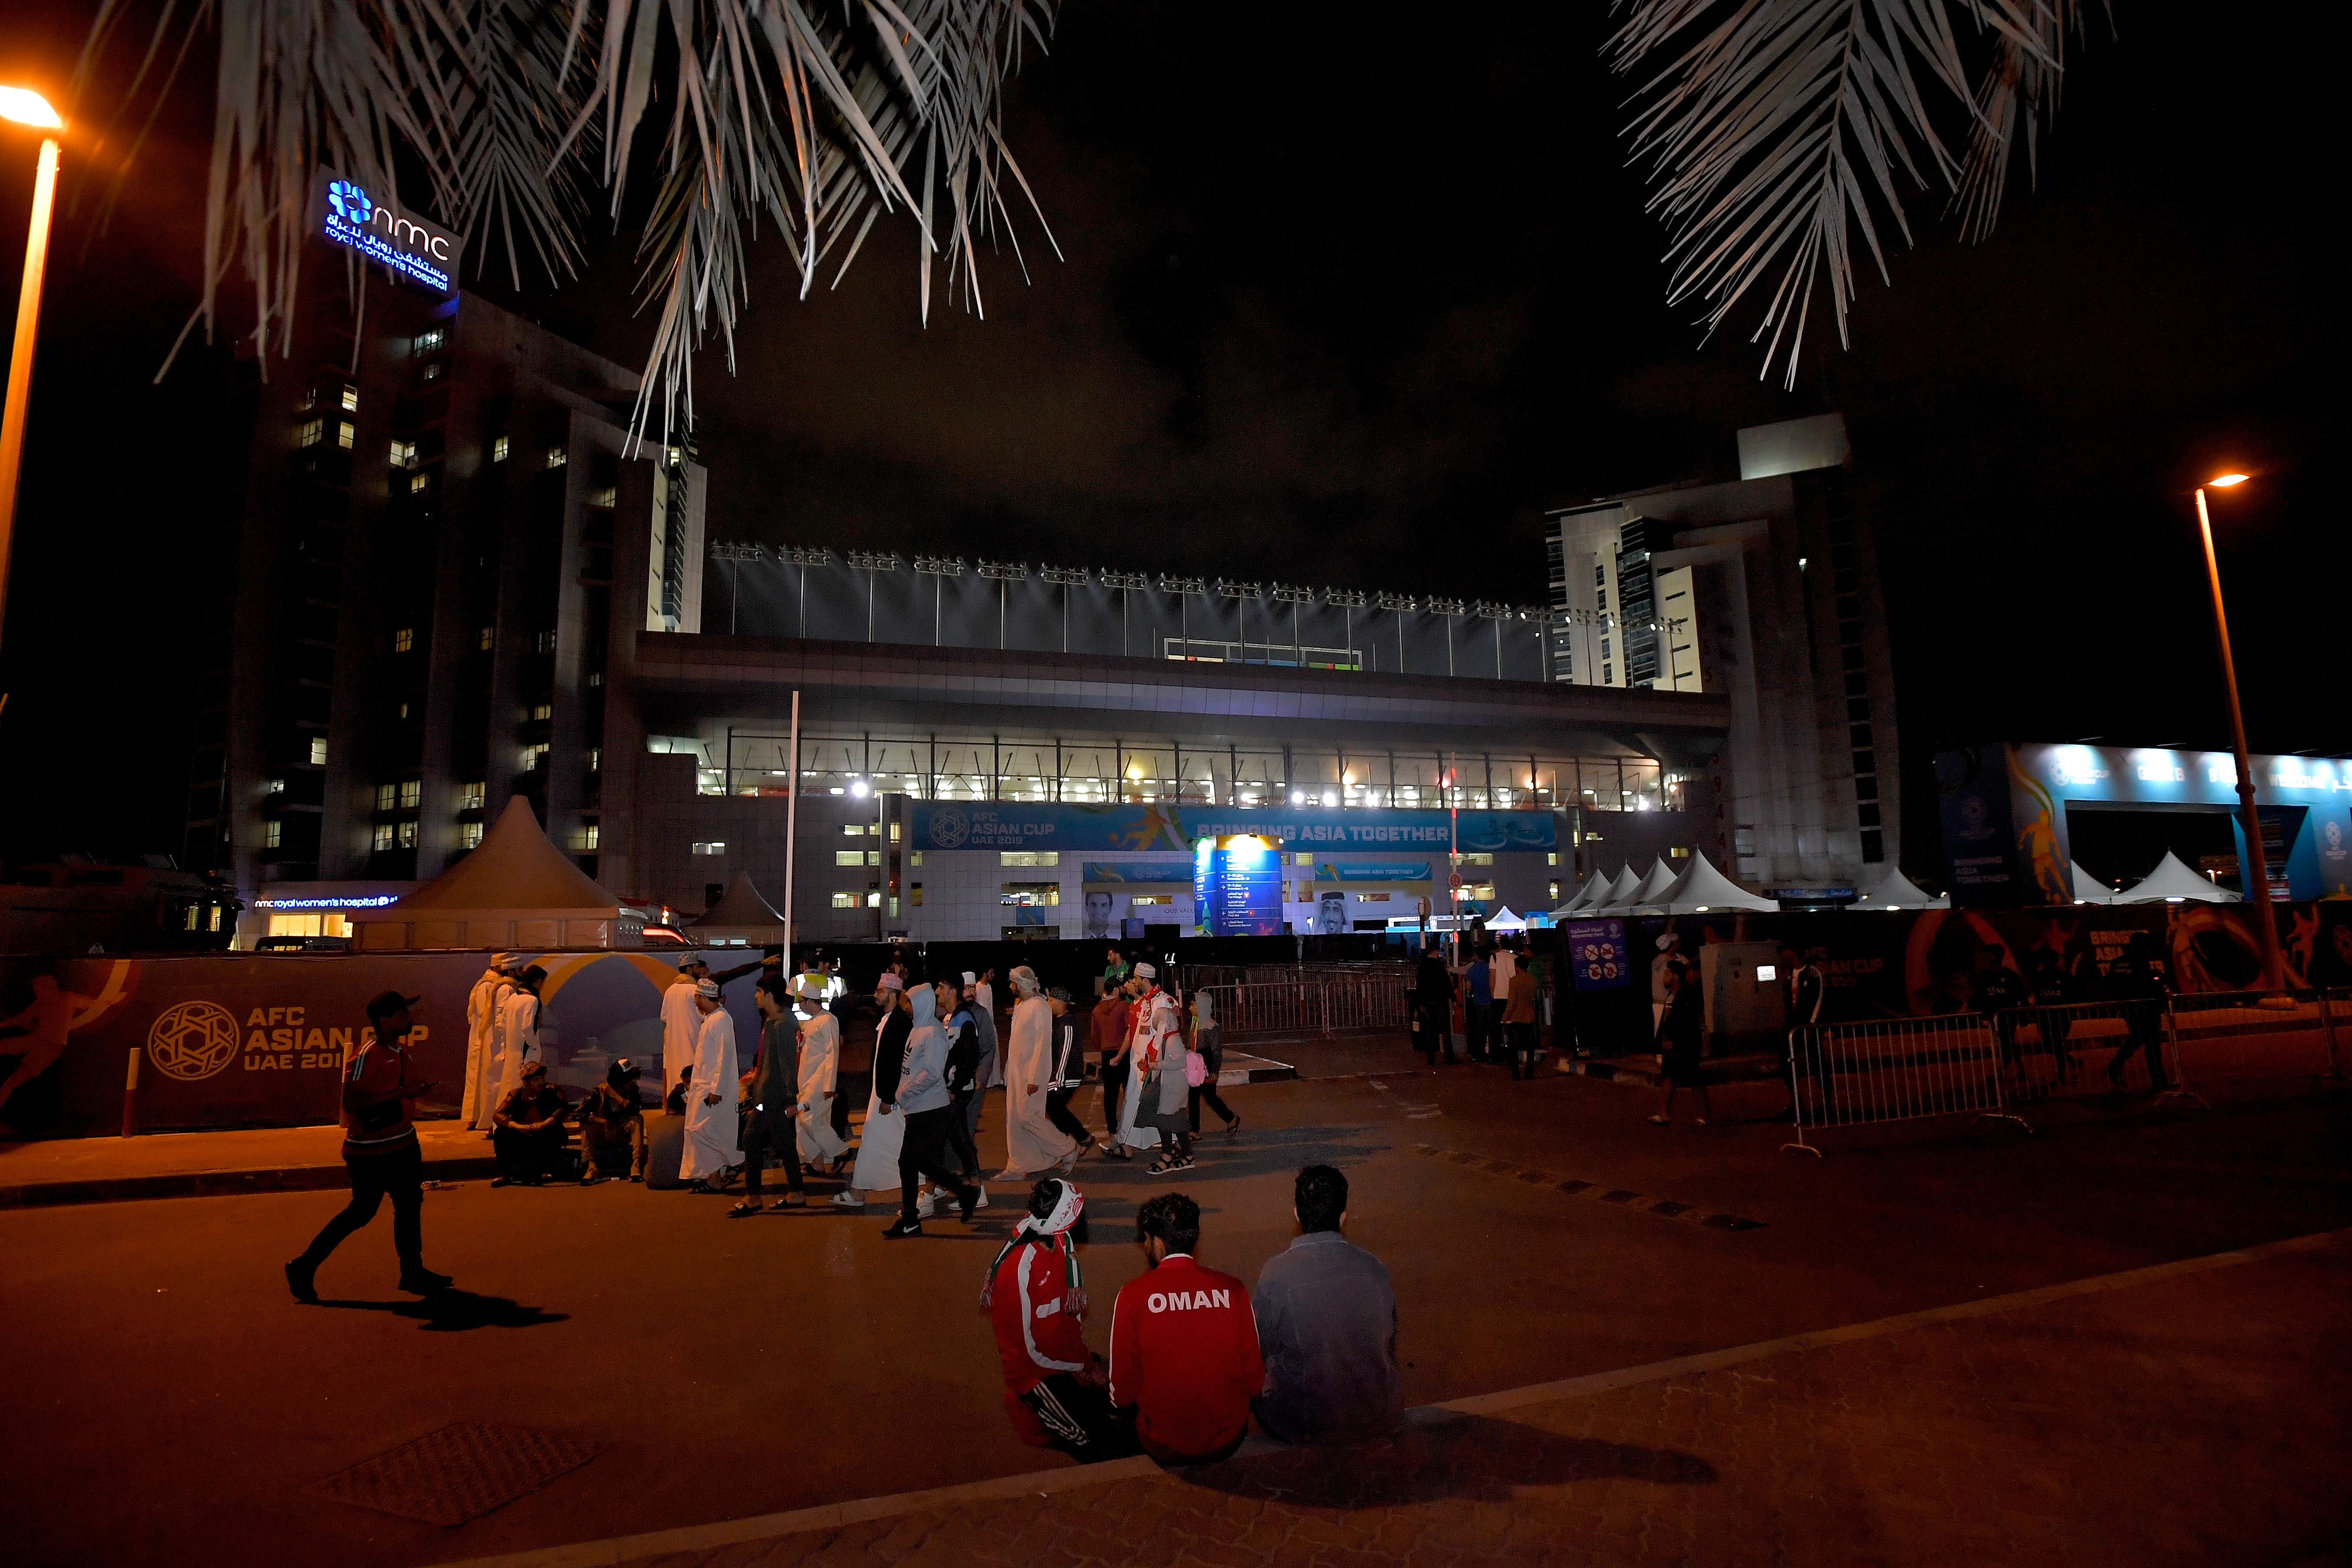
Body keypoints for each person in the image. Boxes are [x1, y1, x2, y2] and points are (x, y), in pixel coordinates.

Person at [285, 991, 448, 1301]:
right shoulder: (367, 1055)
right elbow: (351, 1102)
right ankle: (304, 1265)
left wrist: (413, 1092)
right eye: (402, 1014)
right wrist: (402, 1094)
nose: (409, 1019)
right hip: (370, 1152)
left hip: (402, 1144)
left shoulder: (397, 1051)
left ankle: (412, 1272)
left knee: (409, 1207)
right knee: (362, 1212)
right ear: (386, 1021)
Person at [983, 1178, 1135, 1462]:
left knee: (1133, 1405)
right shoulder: (1020, 1268)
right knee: (1106, 1446)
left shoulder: (1059, 1243)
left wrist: (1087, 1364)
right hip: (1034, 1372)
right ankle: (1027, 1409)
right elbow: (1029, 1351)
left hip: (1064, 1357)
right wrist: (1084, 1369)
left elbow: (1068, 1323)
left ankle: (1067, 1404)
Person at [1251, 1165, 1402, 1445]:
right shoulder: (1373, 1267)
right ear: (1343, 1217)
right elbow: (1389, 1337)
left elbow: (1260, 1347)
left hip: (1306, 1422)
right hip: (1378, 1415)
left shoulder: (1276, 1272)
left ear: (1297, 1214)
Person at [1108, 1192, 1262, 1466]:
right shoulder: (1233, 1289)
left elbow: (1122, 1395)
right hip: (1227, 1440)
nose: (1145, 1245)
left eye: (1147, 1238)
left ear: (1158, 1242)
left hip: (1165, 1444)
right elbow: (1255, 1381)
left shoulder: (1132, 1296)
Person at [883, 983, 983, 1239]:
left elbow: (932, 1073)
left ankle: (910, 1220)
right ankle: (964, 1192)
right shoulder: (919, 1029)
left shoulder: (934, 1033)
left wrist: (905, 1093)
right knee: (922, 1161)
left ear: (921, 1004)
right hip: (917, 1107)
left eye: (910, 1002)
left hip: (929, 1108)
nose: (907, 1007)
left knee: (908, 1162)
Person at [733, 977, 807, 1215]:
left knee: (750, 1138)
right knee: (784, 1143)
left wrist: (791, 1099)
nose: (755, 996)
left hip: (772, 1098)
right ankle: (796, 1192)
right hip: (767, 1095)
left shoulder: (783, 1024)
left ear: (769, 994)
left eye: (758, 992)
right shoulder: (775, 1020)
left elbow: (788, 1064)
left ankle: (754, 1196)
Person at [1002, 966, 1080, 1179]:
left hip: (1032, 1076)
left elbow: (1042, 1045)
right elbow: (1015, 1043)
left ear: (1022, 985)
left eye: (1013, 984)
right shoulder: (1022, 1005)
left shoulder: (1041, 1007)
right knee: (1015, 1120)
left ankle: (1068, 1147)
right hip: (1018, 1074)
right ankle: (1019, 1164)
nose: (1011, 988)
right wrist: (1010, 1070)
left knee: (1029, 1118)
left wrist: (1035, 1077)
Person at [842, 973, 910, 1208]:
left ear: (893, 995)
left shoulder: (900, 1023)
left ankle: (858, 1192)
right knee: (895, 1143)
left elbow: (896, 1064)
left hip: (886, 1098)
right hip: (881, 1095)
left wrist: (888, 1098)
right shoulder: (890, 1020)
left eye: (880, 991)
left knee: (876, 1140)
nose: (875, 995)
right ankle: (932, 1181)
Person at [680, 980, 741, 1192]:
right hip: (703, 1088)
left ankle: (728, 1165)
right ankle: (714, 1176)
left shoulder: (722, 1020)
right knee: (701, 1131)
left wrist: (717, 1090)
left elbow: (724, 1058)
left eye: (697, 997)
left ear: (705, 998)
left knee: (700, 1131)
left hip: (711, 1091)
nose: (695, 1001)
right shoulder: (711, 1019)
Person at [1116, 966, 1178, 1162]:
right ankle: (1169, 1143)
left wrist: (1151, 1064)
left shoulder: (1162, 1002)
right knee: (1146, 1104)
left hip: (1151, 1067)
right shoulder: (1147, 1002)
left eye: (1135, 979)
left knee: (1143, 1103)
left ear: (1144, 979)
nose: (1133, 983)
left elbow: (1163, 1037)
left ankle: (1127, 1144)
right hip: (1139, 1064)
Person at [791, 975, 851, 1171]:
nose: (800, 1005)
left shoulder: (827, 1020)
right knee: (804, 1121)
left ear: (809, 1001)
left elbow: (832, 1053)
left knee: (810, 1119)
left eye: (802, 1001)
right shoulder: (812, 1022)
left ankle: (841, 1151)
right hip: (807, 1080)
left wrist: (829, 1086)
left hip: (819, 1082)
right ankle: (818, 1164)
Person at [1140, 985, 1196, 1176]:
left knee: (1164, 1121)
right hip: (1171, 1086)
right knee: (1177, 1121)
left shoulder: (1172, 1040)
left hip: (1173, 1087)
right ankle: (1187, 1155)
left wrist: (1159, 1066)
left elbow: (1181, 1062)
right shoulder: (1167, 1038)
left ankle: (1167, 1155)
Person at [1648, 953, 1710, 1126]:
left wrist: (1675, 1041)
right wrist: (1659, 1044)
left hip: (1685, 1045)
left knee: (1694, 1079)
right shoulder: (1672, 994)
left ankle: (1706, 1115)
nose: (1665, 976)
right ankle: (1663, 1113)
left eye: (1668, 972)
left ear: (1676, 976)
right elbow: (1666, 1021)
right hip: (1671, 1045)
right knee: (1669, 1078)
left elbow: (1687, 1023)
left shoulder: (1687, 994)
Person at [937, 976, 986, 1185]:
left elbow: (970, 1058)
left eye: (941, 987)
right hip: (951, 1089)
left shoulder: (964, 1019)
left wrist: (955, 1088)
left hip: (957, 1090)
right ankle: (944, 1183)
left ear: (952, 991)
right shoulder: (950, 1017)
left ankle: (976, 1189)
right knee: (953, 1138)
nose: (937, 992)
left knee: (960, 1140)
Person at [462, 953, 518, 1131]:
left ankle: (484, 1119)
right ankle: (480, 1120)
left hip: (491, 1038)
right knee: (485, 1080)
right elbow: (487, 1016)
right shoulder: (488, 986)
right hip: (487, 1039)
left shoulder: (497, 986)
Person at [491, 1060, 571, 1184]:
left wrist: (546, 1123)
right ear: (526, 1083)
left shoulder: (552, 1091)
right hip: (524, 1134)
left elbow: (563, 1108)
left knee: (555, 1131)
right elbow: (499, 1114)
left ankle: (547, 1170)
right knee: (501, 1132)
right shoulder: (516, 1095)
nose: (541, 1083)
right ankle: (504, 1173)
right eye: (536, 1080)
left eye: (542, 1078)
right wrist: (518, 1127)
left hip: (544, 1133)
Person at [489, 964, 547, 1129]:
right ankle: (521, 1123)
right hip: (526, 1052)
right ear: (537, 981)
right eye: (543, 981)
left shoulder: (513, 998)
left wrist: (506, 1048)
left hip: (513, 1051)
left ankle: (499, 1126)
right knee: (525, 1091)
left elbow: (503, 1026)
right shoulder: (532, 1000)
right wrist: (536, 1047)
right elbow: (528, 1028)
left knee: (508, 1090)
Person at [1043, 987, 1092, 1166]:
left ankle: (1074, 1142)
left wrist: (1059, 1078)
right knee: (1056, 1110)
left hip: (1068, 1075)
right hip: (1060, 1074)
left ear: (1060, 1002)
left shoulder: (1068, 1023)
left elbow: (1066, 1051)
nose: (1049, 1004)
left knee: (1055, 1108)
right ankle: (1072, 1143)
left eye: (1050, 1000)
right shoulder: (1058, 1021)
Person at [578, 1057, 648, 1182]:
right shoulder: (599, 1092)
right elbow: (578, 1114)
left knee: (638, 1119)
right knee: (586, 1125)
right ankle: (592, 1166)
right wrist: (599, 1121)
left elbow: (636, 1110)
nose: (633, 1082)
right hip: (603, 1133)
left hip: (621, 1133)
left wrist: (617, 1097)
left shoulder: (633, 1091)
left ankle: (636, 1164)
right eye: (629, 1079)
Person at [1781, 944, 1830, 1117]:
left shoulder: (1812, 972)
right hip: (1792, 1028)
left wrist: (1812, 1024)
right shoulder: (1787, 975)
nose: (1781, 954)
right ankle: (1796, 1103)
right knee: (1787, 1063)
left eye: (1784, 950)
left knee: (1817, 1063)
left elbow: (1819, 998)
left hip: (1809, 1027)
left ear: (1793, 951)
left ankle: (1827, 1103)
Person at [659, 957, 708, 1114]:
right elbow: (704, 1016)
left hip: (675, 1046)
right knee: (692, 1081)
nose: (698, 971)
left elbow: (664, 1017)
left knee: (676, 1080)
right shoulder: (695, 991)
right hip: (692, 1042)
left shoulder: (670, 990)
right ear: (689, 969)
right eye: (695, 967)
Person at [1187, 989, 1239, 1136]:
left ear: (1202, 1006)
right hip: (1196, 1065)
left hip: (1207, 1064)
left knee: (1210, 1097)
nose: (1190, 1008)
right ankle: (1194, 1130)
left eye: (1193, 1005)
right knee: (1193, 1097)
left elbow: (1216, 1051)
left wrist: (1215, 1071)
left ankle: (1231, 1118)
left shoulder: (1212, 1026)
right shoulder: (1195, 1024)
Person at [1091, 982, 1133, 1151]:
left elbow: (1095, 1036)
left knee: (1110, 1096)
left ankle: (1112, 1133)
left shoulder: (1097, 1010)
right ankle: (1131, 1131)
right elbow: (1130, 1029)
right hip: (1124, 1053)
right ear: (1116, 990)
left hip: (1107, 1054)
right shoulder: (1124, 1006)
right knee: (1130, 1093)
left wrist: (1103, 1046)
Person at [1412, 942, 1451, 1066]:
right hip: (1440, 1000)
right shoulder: (1439, 965)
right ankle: (1448, 1056)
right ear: (1434, 952)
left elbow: (1419, 985)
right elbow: (1446, 982)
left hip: (1427, 1001)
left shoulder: (1422, 966)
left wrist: (1420, 1002)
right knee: (1445, 1029)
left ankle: (1431, 1057)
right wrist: (1452, 995)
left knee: (1430, 1029)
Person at [1500, 953, 1539, 1079]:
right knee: (1530, 1047)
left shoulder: (1514, 981)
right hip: (1530, 1016)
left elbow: (1512, 1002)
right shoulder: (1532, 980)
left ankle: (1516, 1073)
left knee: (1514, 1047)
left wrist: (1505, 1017)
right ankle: (1530, 1072)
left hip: (1517, 1018)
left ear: (1517, 966)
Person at [1464, 947, 1494, 1065]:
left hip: (1478, 1003)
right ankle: (1493, 1052)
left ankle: (1479, 1054)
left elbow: (1468, 988)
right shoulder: (1490, 967)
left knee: (1480, 1031)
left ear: (1477, 955)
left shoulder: (1472, 970)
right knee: (1492, 1030)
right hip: (1491, 1001)